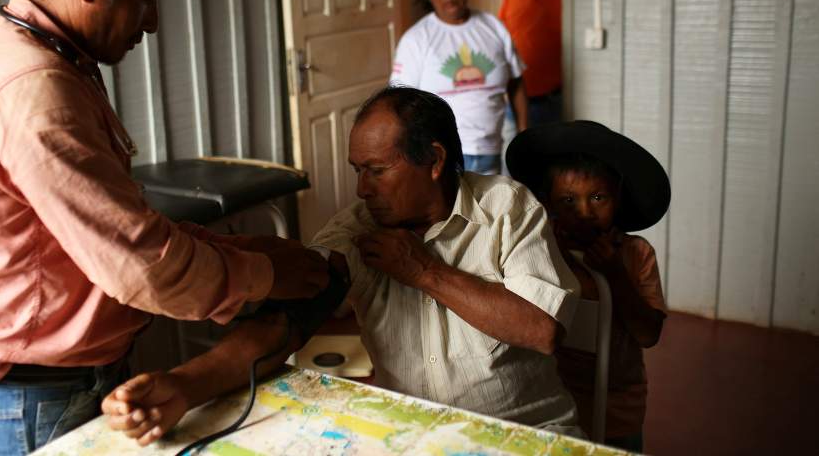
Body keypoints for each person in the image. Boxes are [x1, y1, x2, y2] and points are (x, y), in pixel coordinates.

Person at [0, 0, 329, 455]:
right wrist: (262, 275)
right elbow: (140, 265)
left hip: (27, 391)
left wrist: (238, 255)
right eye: (146, 1)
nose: (153, 24)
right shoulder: (34, 90)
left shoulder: (30, 57)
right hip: (26, 406)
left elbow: (111, 224)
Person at [102, 87, 582, 439]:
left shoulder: (507, 208)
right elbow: (282, 326)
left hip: (527, 432)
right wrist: (183, 386)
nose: (362, 189)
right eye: (358, 171)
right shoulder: (358, 228)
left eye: (377, 171)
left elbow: (540, 328)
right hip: (415, 435)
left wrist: (424, 272)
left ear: (434, 160)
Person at [505, 120, 671, 452]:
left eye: (598, 197)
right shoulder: (537, 249)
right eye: (568, 200)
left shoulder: (636, 254)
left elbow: (648, 334)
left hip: (617, 404)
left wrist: (615, 275)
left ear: (618, 197)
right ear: (548, 203)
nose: (584, 212)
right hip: (550, 398)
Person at [391, 0, 528, 175]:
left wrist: (523, 132)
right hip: (440, 155)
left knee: (489, 209)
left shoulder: (493, 27)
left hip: (491, 149)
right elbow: (401, 103)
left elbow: (516, 82)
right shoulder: (416, 39)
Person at [499, 0, 563, 127]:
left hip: (555, 100)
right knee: (516, 155)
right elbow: (501, 38)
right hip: (516, 97)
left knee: (553, 157)